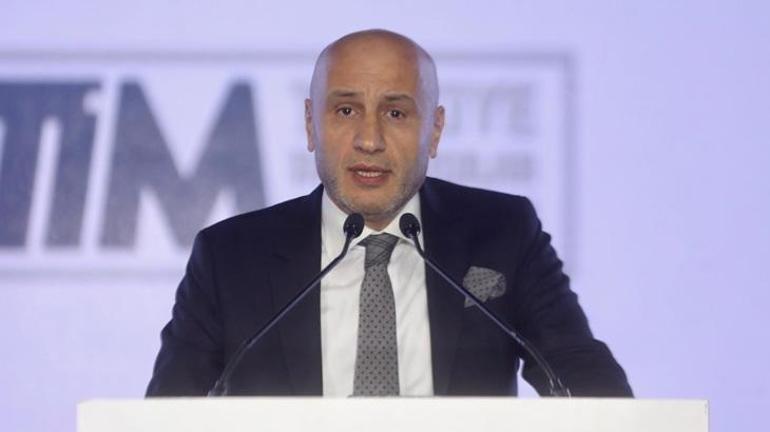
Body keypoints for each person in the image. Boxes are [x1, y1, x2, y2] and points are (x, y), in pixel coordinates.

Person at [146, 29, 632, 397]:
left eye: (396, 113)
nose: (370, 140)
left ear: (434, 131)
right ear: (311, 125)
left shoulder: (503, 231)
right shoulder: (230, 256)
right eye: (346, 111)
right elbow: (168, 413)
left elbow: (582, 375)